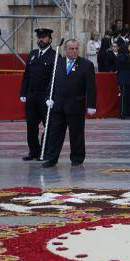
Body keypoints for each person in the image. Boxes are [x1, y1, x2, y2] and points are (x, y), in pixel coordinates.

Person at [42, 39, 97, 167]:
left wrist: (91, 105)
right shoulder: (58, 63)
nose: (74, 51)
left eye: (76, 48)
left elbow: (91, 87)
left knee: (76, 134)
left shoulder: (86, 65)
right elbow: (52, 83)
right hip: (59, 105)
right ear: (65, 50)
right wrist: (48, 97)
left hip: (76, 105)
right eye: (71, 49)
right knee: (55, 133)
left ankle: (77, 158)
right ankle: (52, 158)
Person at [18, 28, 56, 161]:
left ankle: (45, 151)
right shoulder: (33, 54)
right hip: (32, 97)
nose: (41, 40)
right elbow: (27, 75)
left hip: (45, 98)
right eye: (39, 37)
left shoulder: (54, 56)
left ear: (50, 39)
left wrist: (52, 97)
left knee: (48, 126)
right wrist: (23, 92)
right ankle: (33, 151)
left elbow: (55, 79)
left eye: (44, 37)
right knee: (31, 127)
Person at [116, 42, 130, 119]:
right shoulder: (121, 56)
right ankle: (123, 113)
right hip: (123, 78)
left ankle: (128, 112)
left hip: (127, 78)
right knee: (124, 97)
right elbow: (122, 62)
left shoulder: (127, 55)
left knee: (128, 96)